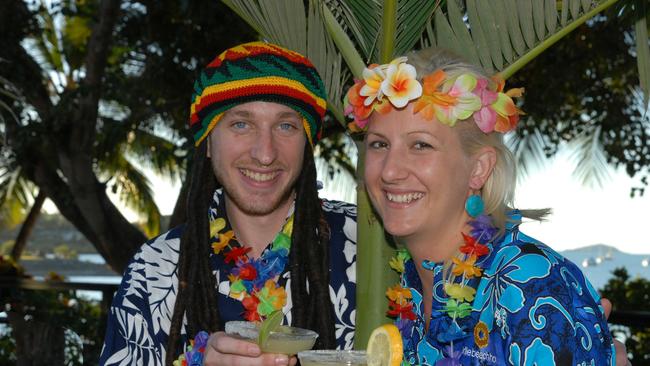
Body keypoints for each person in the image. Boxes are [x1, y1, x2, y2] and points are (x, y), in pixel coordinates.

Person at [345, 47, 618, 365]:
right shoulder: (410, 282)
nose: (390, 171)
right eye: (379, 144)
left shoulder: (531, 284)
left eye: (421, 145)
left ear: (479, 169)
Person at [99, 42, 357, 366]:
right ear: (207, 142)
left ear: (307, 144)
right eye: (241, 124)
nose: (265, 153)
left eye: (286, 125)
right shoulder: (154, 270)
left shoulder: (366, 245)